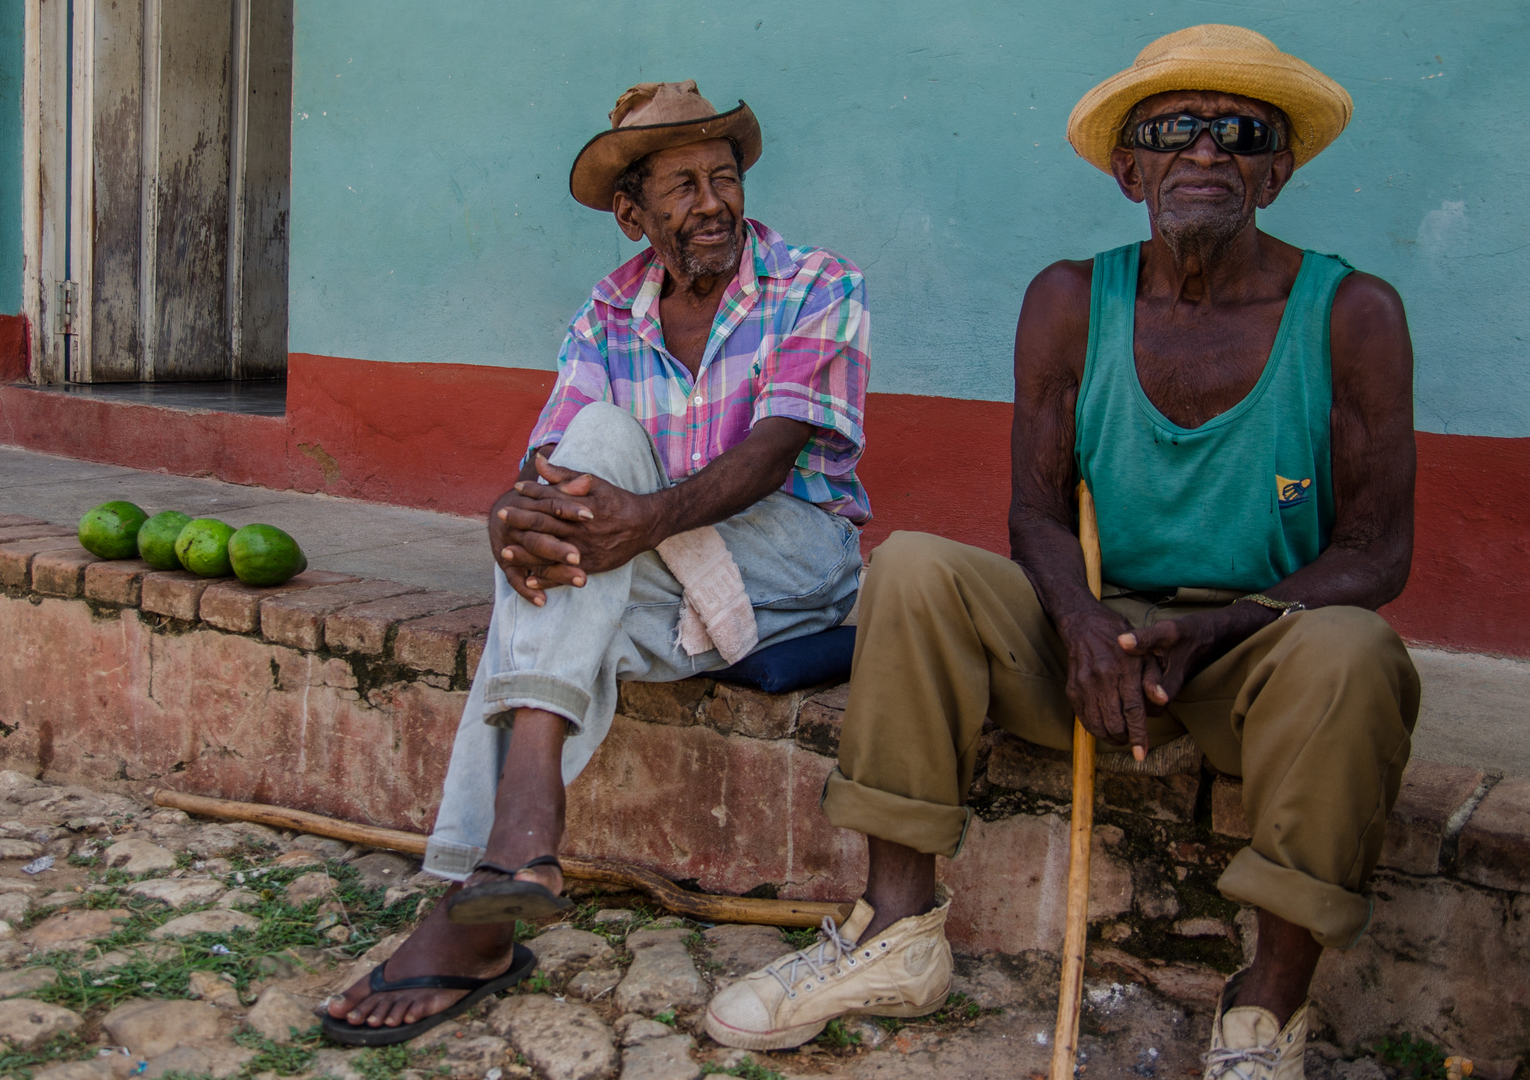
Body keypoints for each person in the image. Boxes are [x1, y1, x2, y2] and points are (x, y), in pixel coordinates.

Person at [705, 26, 1420, 1079]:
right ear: (1129, 168)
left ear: (1280, 166)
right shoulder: (1071, 301)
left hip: (1253, 651)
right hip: (1089, 638)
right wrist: (1082, 620)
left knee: (1357, 652)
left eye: (1239, 132)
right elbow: (1035, 511)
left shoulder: (1353, 314)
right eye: (1173, 130)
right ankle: (894, 933)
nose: (1206, 152)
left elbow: (1376, 551)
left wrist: (1225, 624)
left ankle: (1267, 1006)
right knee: (910, 568)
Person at [322, 79, 871, 1045]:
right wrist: (511, 513)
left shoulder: (817, 282)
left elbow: (773, 454)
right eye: (681, 187)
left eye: (723, 178)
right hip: (657, 566)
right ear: (632, 214)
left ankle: (489, 864)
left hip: (794, 550)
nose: (711, 204)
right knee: (580, 486)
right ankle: (507, 867)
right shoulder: (610, 308)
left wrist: (634, 522)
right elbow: (557, 463)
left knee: (569, 576)